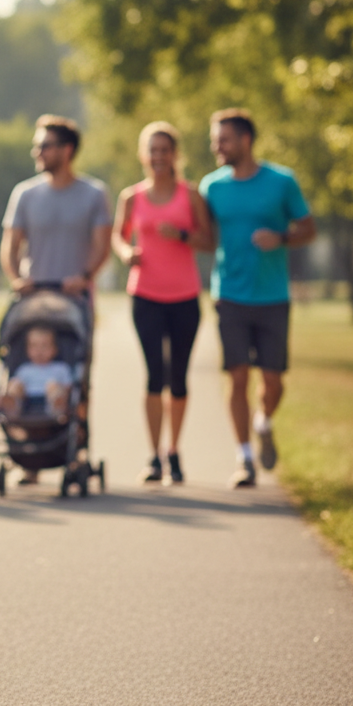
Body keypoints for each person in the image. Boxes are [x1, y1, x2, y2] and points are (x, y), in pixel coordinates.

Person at [200, 109, 315, 488]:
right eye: (215, 139)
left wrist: (280, 238)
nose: (217, 146)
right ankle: (245, 458)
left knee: (273, 380)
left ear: (245, 141)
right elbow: (202, 235)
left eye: (224, 140)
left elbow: (308, 229)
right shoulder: (212, 187)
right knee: (237, 378)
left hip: (272, 296)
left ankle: (263, 422)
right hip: (229, 295)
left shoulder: (282, 181)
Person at [0, 115, 110, 483]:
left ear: (66, 150)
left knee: (78, 381)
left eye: (44, 145)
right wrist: (16, 277)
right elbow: (11, 244)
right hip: (35, 302)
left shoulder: (93, 194)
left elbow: (101, 244)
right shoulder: (26, 194)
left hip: (75, 301)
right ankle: (30, 461)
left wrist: (86, 276)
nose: (37, 151)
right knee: (24, 380)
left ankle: (74, 452)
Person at [112, 123, 212, 485]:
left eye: (164, 150)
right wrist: (127, 254)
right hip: (145, 296)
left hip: (184, 297)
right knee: (155, 374)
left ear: (174, 155)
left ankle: (175, 452)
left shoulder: (191, 195)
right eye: (152, 150)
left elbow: (208, 240)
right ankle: (154, 456)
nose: (158, 157)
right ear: (144, 155)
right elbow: (118, 236)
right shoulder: (131, 197)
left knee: (179, 378)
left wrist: (182, 235)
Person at [0, 326, 73, 421]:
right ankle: (11, 404)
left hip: (50, 400)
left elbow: (69, 387)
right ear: (27, 349)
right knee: (16, 383)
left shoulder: (60, 368)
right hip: (26, 401)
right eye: (34, 346)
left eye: (44, 346)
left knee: (53, 386)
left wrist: (62, 392)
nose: (39, 351)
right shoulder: (24, 369)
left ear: (54, 349)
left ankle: (57, 406)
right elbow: (16, 383)